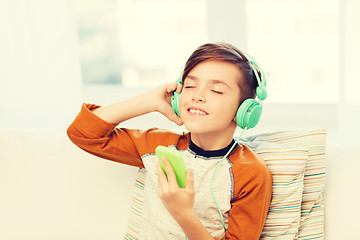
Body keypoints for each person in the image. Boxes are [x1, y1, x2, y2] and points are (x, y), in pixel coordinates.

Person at [67, 42, 273, 240]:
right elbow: (82, 133)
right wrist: (150, 101)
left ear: (244, 111)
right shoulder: (156, 145)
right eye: (190, 86)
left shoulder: (251, 172)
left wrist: (183, 214)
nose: (198, 96)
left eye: (216, 90)